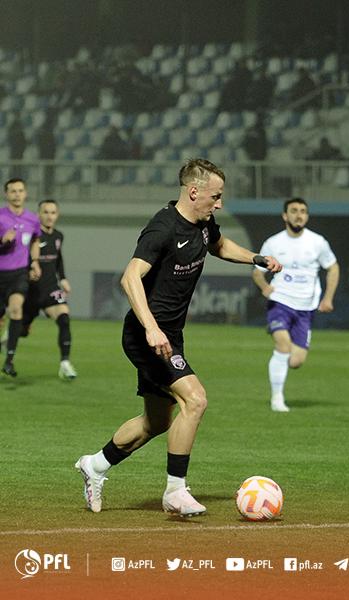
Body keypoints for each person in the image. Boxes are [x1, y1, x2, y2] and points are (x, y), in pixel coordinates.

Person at [74, 158, 282, 516]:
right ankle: (175, 491)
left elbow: (219, 245)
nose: (219, 204)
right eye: (215, 196)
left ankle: (94, 465)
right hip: (146, 336)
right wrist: (151, 328)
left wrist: (256, 258)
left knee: (156, 422)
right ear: (194, 191)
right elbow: (130, 278)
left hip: (170, 335)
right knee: (195, 400)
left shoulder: (203, 222)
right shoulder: (162, 228)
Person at [252, 198, 339, 412]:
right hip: (280, 302)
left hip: (305, 307)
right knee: (283, 345)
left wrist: (328, 298)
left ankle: (281, 360)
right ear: (285, 215)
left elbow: (333, 267)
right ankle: (277, 399)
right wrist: (264, 287)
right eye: (294, 211)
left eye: (303, 211)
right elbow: (257, 272)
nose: (299, 215)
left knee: (295, 361)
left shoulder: (317, 242)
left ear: (307, 216)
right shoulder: (273, 243)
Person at [19, 199, 78, 379]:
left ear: (57, 215)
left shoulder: (58, 236)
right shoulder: (31, 237)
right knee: (22, 331)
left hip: (51, 288)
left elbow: (58, 259)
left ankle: (65, 363)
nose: (49, 216)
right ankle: (8, 340)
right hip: (32, 292)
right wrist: (28, 272)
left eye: (53, 212)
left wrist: (64, 278)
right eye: (45, 212)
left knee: (64, 319)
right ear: (38, 215)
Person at [0, 179, 42, 377]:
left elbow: (35, 240)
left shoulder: (32, 219)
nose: (17, 194)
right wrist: (2, 241)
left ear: (25, 193)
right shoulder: (0, 216)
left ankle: (9, 360)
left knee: (16, 309)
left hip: (19, 273)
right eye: (13, 191)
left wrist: (35, 262)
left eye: (20, 190)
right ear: (6, 194)